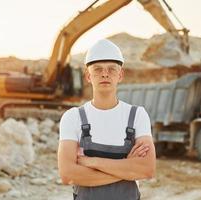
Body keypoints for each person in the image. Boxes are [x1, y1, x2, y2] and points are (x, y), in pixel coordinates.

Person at [58, 39, 156, 200]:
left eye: (112, 69)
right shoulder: (73, 117)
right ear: (88, 76)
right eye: (97, 69)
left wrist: (93, 162)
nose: (105, 74)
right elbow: (68, 175)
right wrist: (127, 168)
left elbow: (147, 170)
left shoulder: (137, 115)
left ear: (121, 75)